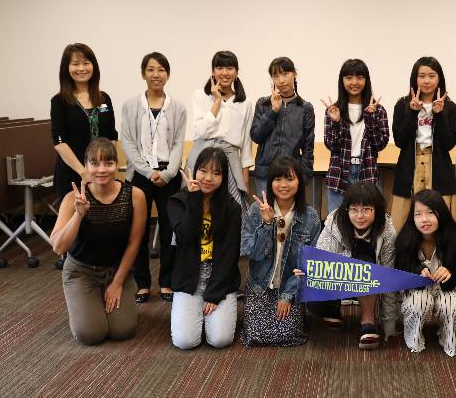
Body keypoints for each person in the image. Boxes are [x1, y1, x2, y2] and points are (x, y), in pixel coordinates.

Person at [49, 138, 146, 345]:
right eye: (95, 163)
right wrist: (79, 215)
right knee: (91, 334)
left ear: (116, 165)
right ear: (86, 166)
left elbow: (134, 244)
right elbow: (58, 247)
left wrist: (117, 283)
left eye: (108, 163)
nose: (102, 169)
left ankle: (103, 299)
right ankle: (86, 306)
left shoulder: (135, 196)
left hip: (118, 270)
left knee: (123, 330)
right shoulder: (72, 199)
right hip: (82, 272)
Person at [120, 52, 187, 304]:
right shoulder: (130, 105)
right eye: (150, 69)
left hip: (168, 175)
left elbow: (179, 143)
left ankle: (167, 281)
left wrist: (168, 172)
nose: (155, 74)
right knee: (138, 230)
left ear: (167, 75)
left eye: (160, 70)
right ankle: (142, 283)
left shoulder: (178, 107)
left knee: (171, 229)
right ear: (142, 74)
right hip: (139, 175)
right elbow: (127, 143)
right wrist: (148, 172)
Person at [304, 181, 397, 350]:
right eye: (354, 209)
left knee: (364, 266)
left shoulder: (387, 230)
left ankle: (368, 320)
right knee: (312, 296)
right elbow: (320, 264)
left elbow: (389, 275)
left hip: (370, 283)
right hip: (338, 277)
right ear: (346, 209)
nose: (360, 216)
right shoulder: (334, 223)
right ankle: (332, 310)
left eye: (366, 209)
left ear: (376, 209)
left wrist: (389, 322)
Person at [241, 156, 321, 346]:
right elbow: (249, 252)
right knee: (256, 336)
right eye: (278, 179)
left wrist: (287, 295)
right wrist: (267, 224)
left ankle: (296, 312)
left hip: (290, 285)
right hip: (260, 285)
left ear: (299, 182)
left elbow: (309, 263)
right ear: (270, 183)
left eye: (290, 179)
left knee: (288, 335)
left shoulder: (310, 217)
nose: (283, 185)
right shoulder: (255, 210)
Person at [169, 147, 241, 350]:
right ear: (194, 170)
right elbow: (187, 235)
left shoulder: (231, 207)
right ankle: (192, 312)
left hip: (219, 277)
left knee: (220, 340)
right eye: (204, 170)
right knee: (185, 342)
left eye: (216, 173)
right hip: (188, 277)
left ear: (224, 177)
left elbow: (230, 253)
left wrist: (214, 293)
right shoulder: (178, 202)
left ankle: (205, 311)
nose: (208, 177)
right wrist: (193, 199)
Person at [395, 190, 456, 357]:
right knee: (419, 302)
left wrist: (450, 273)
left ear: (441, 214)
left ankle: (446, 334)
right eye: (418, 214)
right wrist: (417, 270)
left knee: (453, 306)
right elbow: (400, 269)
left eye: (430, 213)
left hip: (445, 289)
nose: (424, 219)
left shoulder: (455, 237)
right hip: (417, 289)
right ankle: (413, 335)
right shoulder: (405, 238)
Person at [391, 57, 456, 231]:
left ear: (439, 79)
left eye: (432, 75)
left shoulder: (450, 107)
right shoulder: (402, 104)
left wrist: (438, 114)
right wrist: (412, 113)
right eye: (422, 76)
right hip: (409, 169)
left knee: (439, 225)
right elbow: (399, 141)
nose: (427, 80)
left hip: (438, 169)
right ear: (415, 78)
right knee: (403, 225)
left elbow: (448, 144)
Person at [187, 50, 254, 216]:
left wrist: (244, 176)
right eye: (219, 68)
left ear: (236, 72)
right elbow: (199, 131)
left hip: (230, 160)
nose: (225, 73)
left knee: (232, 209)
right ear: (212, 71)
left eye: (230, 68)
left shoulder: (245, 103)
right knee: (196, 205)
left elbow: (246, 142)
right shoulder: (200, 96)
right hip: (202, 156)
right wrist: (216, 101)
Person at [321, 58, 389, 214]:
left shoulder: (378, 110)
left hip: (367, 171)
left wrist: (371, 119)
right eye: (349, 77)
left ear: (366, 80)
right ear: (342, 80)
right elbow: (331, 145)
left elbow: (380, 145)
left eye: (359, 77)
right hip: (339, 173)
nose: (354, 82)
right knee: (336, 224)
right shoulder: (333, 110)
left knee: (368, 222)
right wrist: (337, 122)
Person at [51, 43, 118, 199]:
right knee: (74, 219)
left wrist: (104, 167)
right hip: (72, 174)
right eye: (75, 64)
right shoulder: (59, 101)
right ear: (66, 68)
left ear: (93, 66)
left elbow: (112, 135)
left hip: (102, 174)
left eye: (86, 63)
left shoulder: (104, 98)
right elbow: (59, 141)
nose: (81, 68)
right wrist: (84, 172)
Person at [250, 57, 315, 197]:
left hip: (291, 175)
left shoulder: (305, 108)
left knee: (290, 217)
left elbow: (308, 147)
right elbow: (256, 136)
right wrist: (273, 111)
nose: (281, 80)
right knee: (265, 215)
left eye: (285, 74)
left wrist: (304, 176)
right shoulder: (263, 104)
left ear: (295, 74)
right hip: (265, 173)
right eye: (275, 76)